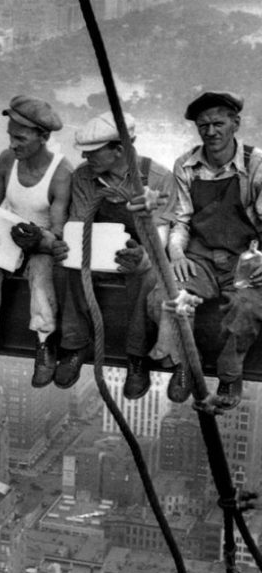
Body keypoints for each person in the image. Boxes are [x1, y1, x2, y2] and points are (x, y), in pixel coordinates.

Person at [51, 112, 175, 397]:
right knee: (69, 266)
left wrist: (143, 255)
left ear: (119, 150)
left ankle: (136, 356)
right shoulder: (84, 176)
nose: (84, 156)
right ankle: (74, 344)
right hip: (97, 245)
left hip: (142, 250)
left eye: (93, 152)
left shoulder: (158, 177)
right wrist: (68, 245)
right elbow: (80, 222)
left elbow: (161, 234)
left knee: (146, 275)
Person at [151, 91, 262, 409]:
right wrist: (177, 254)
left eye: (218, 123)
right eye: (203, 126)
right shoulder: (185, 165)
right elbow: (181, 220)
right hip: (200, 256)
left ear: (235, 124)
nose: (211, 132)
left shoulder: (256, 164)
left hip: (245, 258)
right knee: (172, 295)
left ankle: (230, 376)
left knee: (247, 306)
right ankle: (184, 364)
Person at [0, 96, 71, 386]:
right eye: (11, 136)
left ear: (44, 137)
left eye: (21, 138)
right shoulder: (6, 159)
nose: (13, 144)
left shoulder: (61, 173)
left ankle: (44, 340)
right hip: (9, 233)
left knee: (40, 272)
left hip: (40, 242)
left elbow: (59, 229)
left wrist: (40, 238)